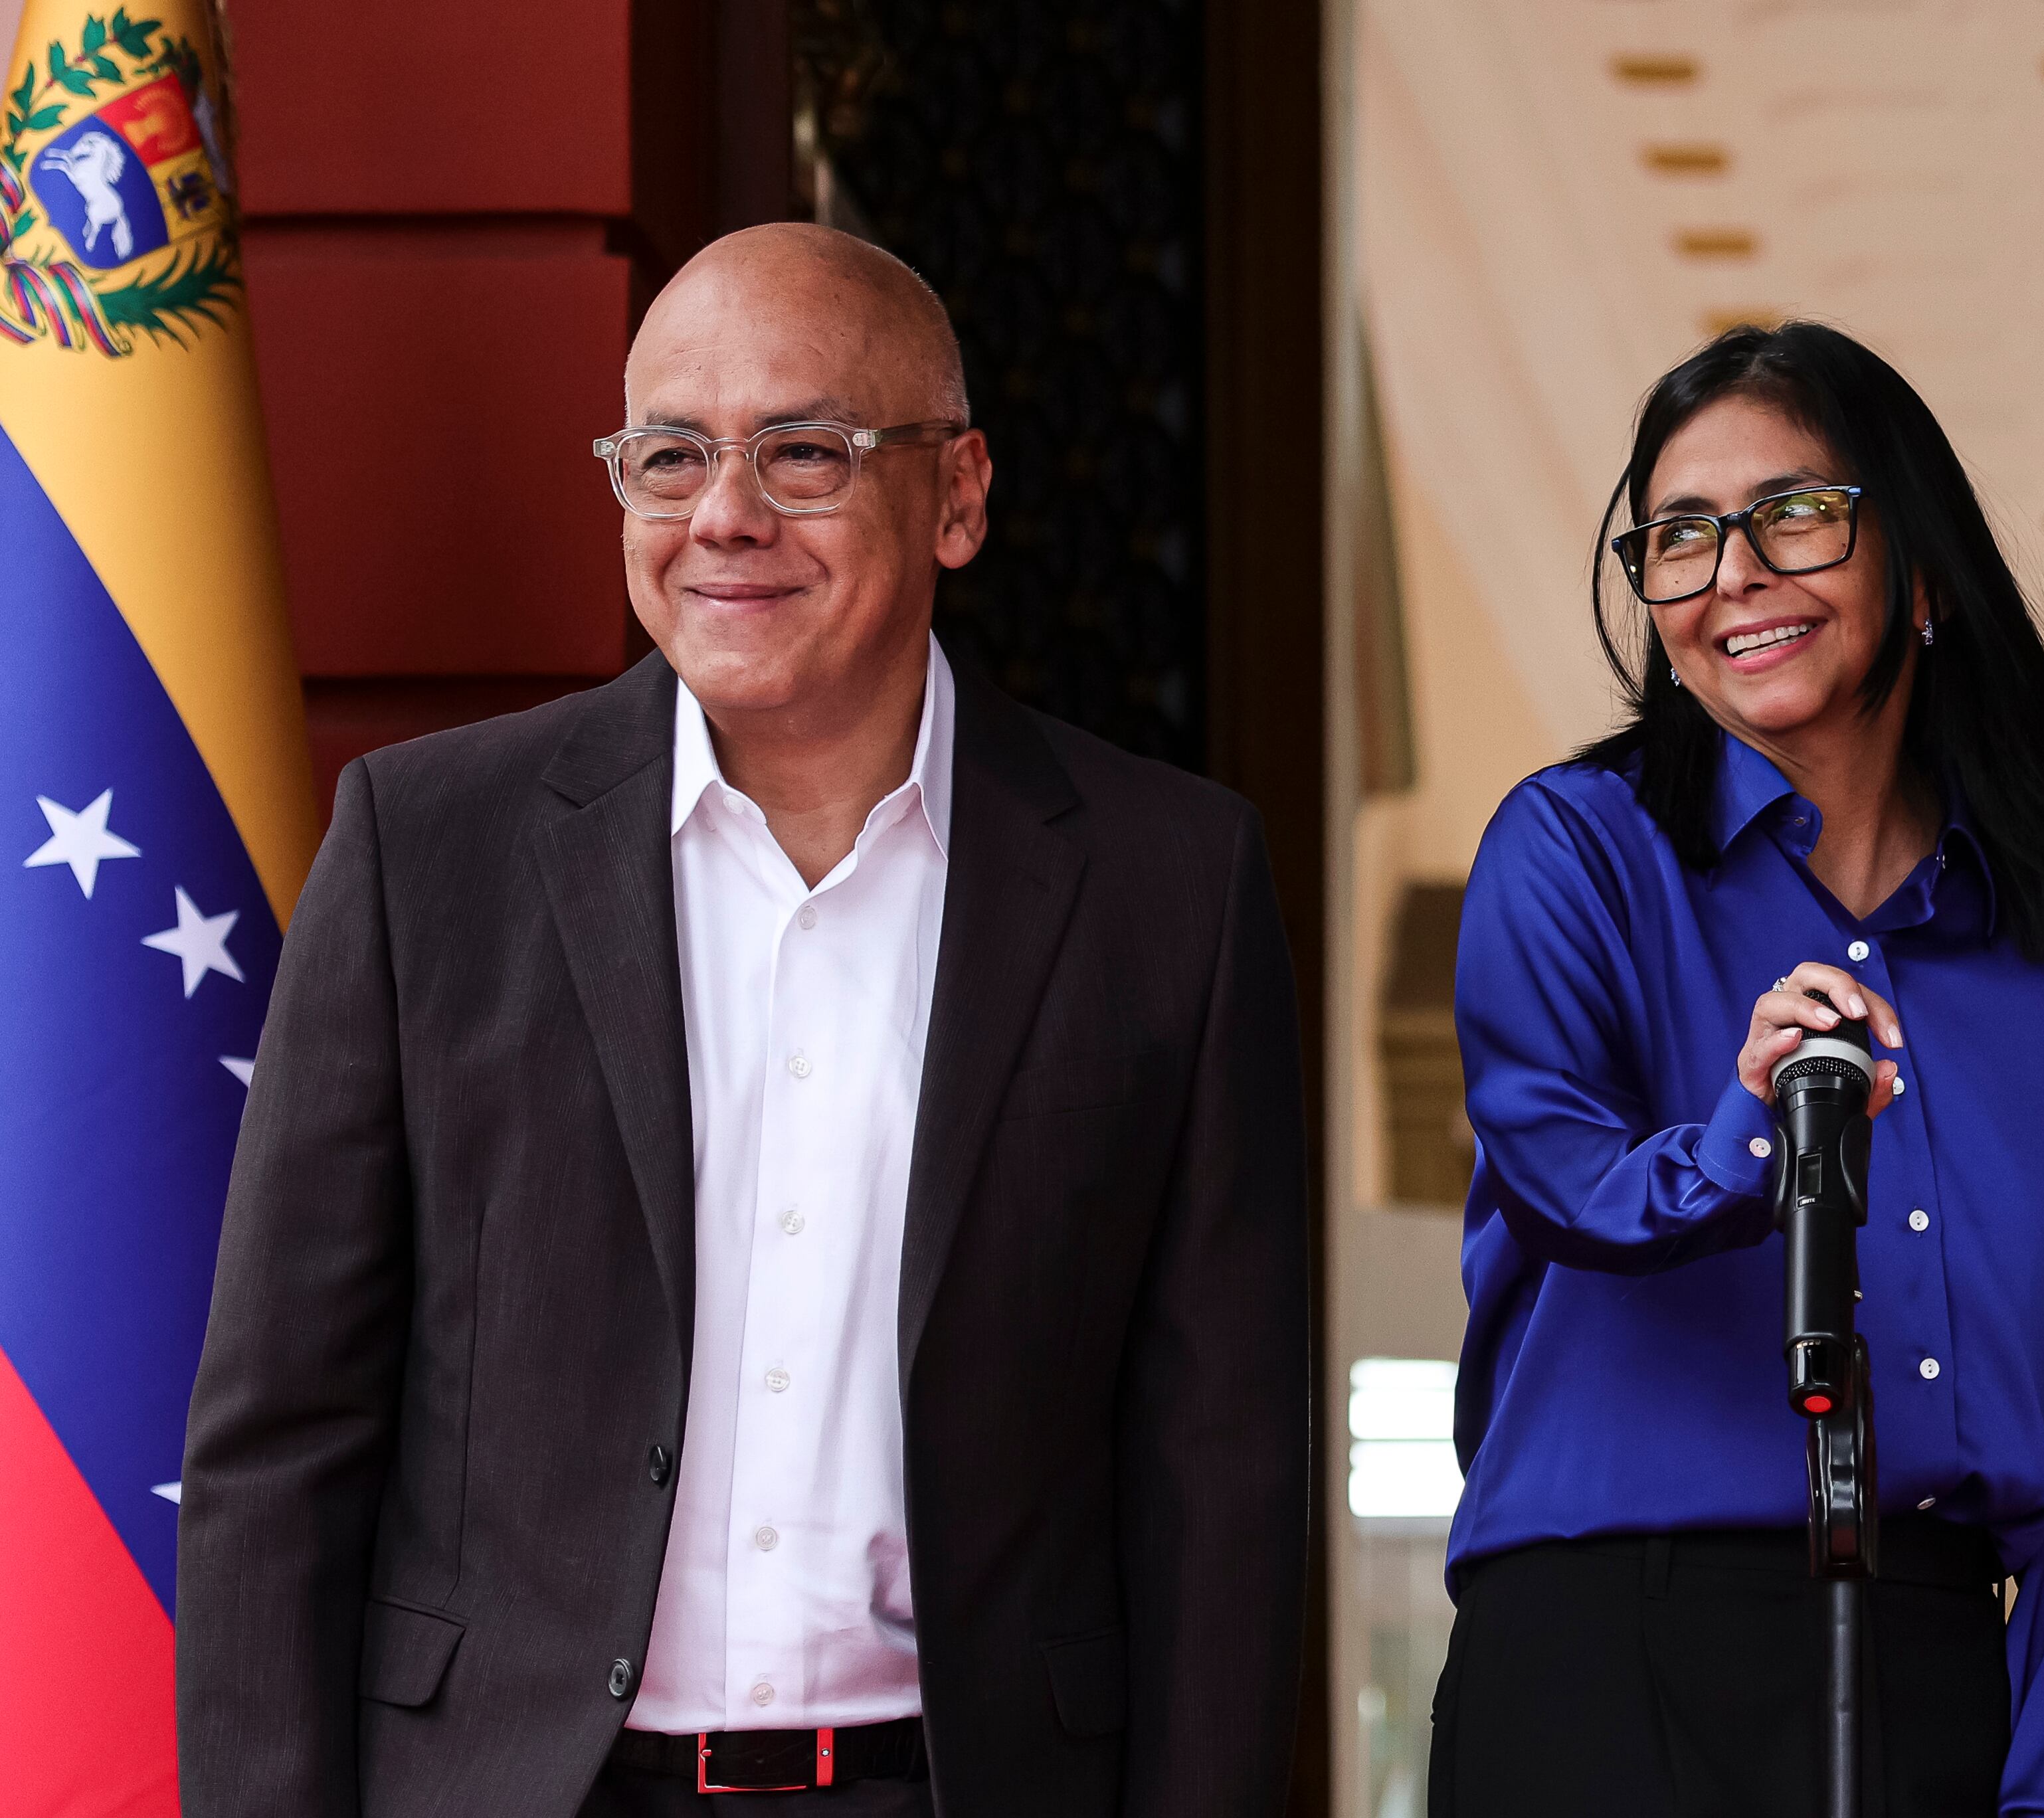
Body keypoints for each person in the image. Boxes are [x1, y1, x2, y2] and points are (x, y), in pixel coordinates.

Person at [176, 223, 1310, 1818]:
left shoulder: (1167, 886)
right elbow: (277, 1447)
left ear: (960, 494)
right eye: (669, 455)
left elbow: (1223, 1483)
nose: (723, 515)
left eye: (804, 451)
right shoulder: (424, 851)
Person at [1434, 321, 2044, 1817]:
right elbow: (1563, 1177)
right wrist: (1750, 1131)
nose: (1732, 576)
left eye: (1793, 517)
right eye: (1680, 539)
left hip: (1934, 1659)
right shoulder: (1573, 850)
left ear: (1925, 566)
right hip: (1603, 1657)